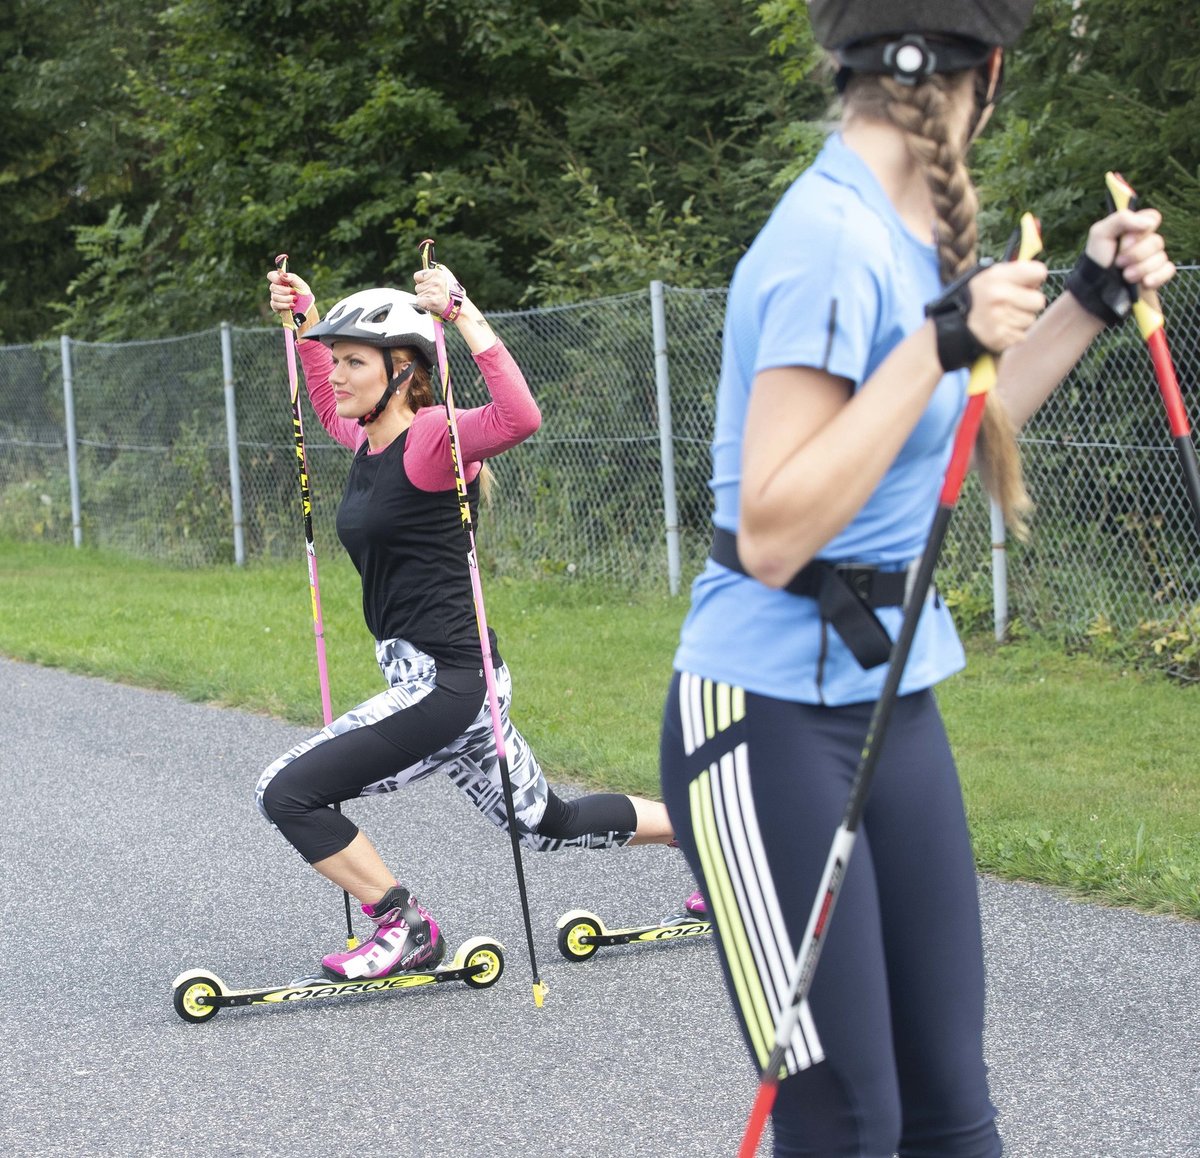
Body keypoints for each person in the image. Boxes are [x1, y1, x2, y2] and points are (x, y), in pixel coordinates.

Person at [658, 2, 1175, 1155]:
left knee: (950, 1113)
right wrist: (937, 340)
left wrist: (1085, 299)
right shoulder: (826, 241)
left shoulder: (908, 236)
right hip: (765, 718)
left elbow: (952, 433)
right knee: (847, 1121)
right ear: (982, 74)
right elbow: (777, 529)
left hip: (891, 700)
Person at [258, 259, 684, 981]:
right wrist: (306, 318)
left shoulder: (431, 439)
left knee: (286, 791)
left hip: (446, 687)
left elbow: (520, 418)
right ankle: (716, 839)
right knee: (548, 823)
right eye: (336, 360)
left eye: (354, 362)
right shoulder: (371, 441)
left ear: (402, 371)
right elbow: (327, 409)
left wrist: (461, 312)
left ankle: (403, 925)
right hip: (458, 684)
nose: (337, 374)